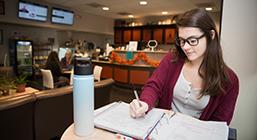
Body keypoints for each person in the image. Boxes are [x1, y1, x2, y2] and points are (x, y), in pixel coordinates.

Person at [129, 9, 239, 125]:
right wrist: (145, 103)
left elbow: (219, 124)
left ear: (211, 35)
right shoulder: (172, 59)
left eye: (192, 40)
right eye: (182, 41)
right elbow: (154, 86)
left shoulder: (230, 80)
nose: (185, 47)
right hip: (163, 129)